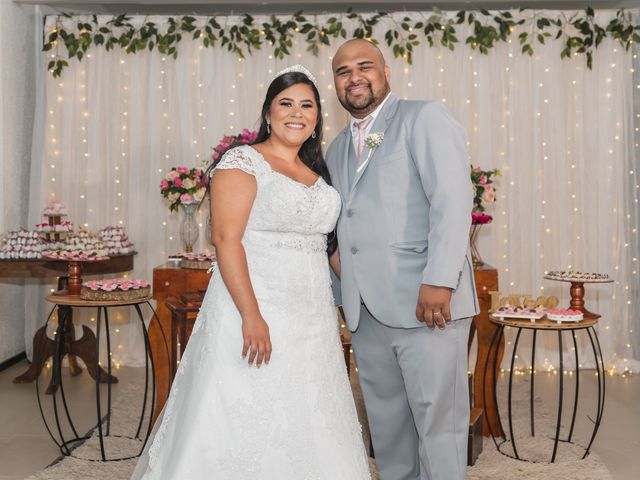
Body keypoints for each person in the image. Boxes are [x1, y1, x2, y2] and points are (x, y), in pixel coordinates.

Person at [131, 65, 371, 480]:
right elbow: (227, 240)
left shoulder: (318, 173)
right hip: (257, 304)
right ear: (268, 112)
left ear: (317, 117)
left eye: (307, 105)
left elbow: (328, 245)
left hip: (311, 314)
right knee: (246, 404)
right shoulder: (242, 162)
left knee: (311, 408)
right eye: (286, 103)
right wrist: (251, 315)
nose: (296, 113)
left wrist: (369, 289)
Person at [326, 39, 479, 480]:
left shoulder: (422, 117)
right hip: (366, 313)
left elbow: (452, 201)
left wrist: (439, 280)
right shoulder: (336, 147)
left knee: (439, 426)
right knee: (389, 430)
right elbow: (344, 225)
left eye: (364, 66)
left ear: (386, 72)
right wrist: (344, 288)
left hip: (426, 302)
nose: (354, 77)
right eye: (343, 71)